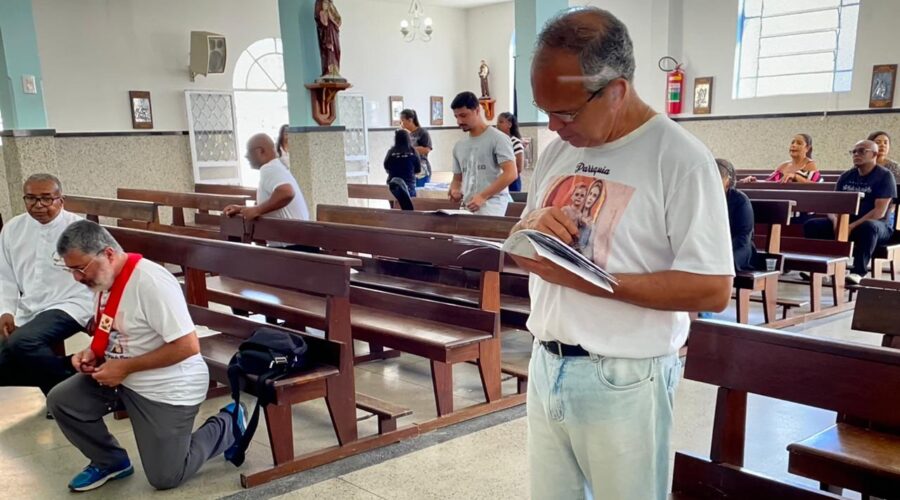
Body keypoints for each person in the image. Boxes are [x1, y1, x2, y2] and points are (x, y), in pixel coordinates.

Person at [513, 8, 733, 499]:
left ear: (616, 90)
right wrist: (530, 227)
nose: (552, 125)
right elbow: (524, 245)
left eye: (565, 112)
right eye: (542, 109)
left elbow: (713, 289)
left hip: (625, 378)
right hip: (548, 362)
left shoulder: (678, 159)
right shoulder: (558, 151)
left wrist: (592, 280)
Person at [48, 220, 245, 492]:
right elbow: (115, 329)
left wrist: (125, 367)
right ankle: (111, 461)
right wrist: (93, 352)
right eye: (71, 270)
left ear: (107, 253)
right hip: (125, 378)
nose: (77, 278)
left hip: (168, 387)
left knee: (166, 476)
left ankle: (229, 423)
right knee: (62, 400)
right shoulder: (104, 279)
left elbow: (187, 346)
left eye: (80, 268)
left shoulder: (150, 282)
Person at [0, 174, 93, 416]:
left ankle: (62, 399)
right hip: (30, 306)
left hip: (71, 303)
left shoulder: (79, 230)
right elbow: (4, 276)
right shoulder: (12, 229)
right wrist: (6, 311)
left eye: (46, 199)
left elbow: (103, 271)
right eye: (31, 198)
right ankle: (74, 374)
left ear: (61, 200)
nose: (38, 205)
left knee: (23, 341)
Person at [803, 140, 897, 284]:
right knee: (812, 225)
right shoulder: (846, 176)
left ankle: (858, 272)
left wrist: (850, 227)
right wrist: (836, 222)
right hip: (845, 223)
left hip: (878, 227)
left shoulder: (884, 176)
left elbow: (879, 212)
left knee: (869, 227)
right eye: (853, 151)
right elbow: (832, 205)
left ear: (874, 155)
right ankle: (819, 268)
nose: (856, 154)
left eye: (862, 151)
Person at [223, 133, 310, 248]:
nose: (246, 156)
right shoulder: (276, 167)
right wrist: (242, 209)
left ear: (260, 151)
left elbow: (287, 192)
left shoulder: (269, 168)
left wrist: (257, 210)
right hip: (296, 243)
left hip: (293, 247)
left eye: (249, 151)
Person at [448, 91, 517, 216]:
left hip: (493, 206)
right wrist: (454, 190)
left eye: (463, 115)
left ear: (477, 110)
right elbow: (457, 179)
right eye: (456, 116)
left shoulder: (498, 138)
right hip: (468, 208)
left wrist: (483, 196)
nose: (459, 121)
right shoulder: (459, 145)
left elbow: (511, 173)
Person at [717, 158, 757, 272]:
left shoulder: (741, 200)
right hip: (713, 246)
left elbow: (743, 235)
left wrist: (724, 252)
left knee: (720, 263)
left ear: (728, 181)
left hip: (739, 247)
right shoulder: (703, 199)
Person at [740, 133, 820, 183]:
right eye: (792, 142)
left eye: (799, 143)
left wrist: (795, 176)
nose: (794, 145)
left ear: (807, 148)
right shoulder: (784, 165)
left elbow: (816, 187)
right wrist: (755, 181)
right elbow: (769, 183)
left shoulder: (809, 164)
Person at [400, 109, 433, 187]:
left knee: (420, 195)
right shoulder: (407, 134)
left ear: (410, 120)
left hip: (422, 170)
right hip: (410, 170)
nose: (401, 123)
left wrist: (409, 149)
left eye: (402, 121)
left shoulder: (423, 132)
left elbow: (427, 150)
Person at [383, 128, 420, 197]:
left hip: (393, 186)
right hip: (409, 186)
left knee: (394, 206)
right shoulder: (413, 152)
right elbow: (418, 169)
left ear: (396, 139)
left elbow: (386, 165)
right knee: (408, 206)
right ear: (408, 139)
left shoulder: (391, 152)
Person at [497, 112, 526, 191]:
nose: (498, 125)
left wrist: (506, 175)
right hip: (499, 181)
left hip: (512, 182)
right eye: (497, 122)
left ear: (509, 125)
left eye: (501, 122)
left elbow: (519, 168)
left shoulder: (515, 142)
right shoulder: (497, 142)